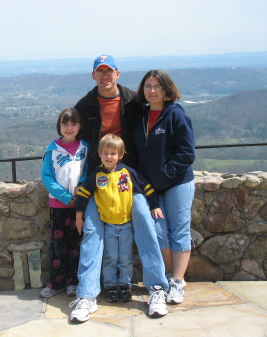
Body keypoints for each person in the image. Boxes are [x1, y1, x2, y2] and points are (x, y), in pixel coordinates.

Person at [69, 55, 169, 323]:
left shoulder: (133, 100)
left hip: (130, 177)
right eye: (99, 72)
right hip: (97, 178)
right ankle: (87, 295)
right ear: (93, 76)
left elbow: (157, 118)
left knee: (146, 225)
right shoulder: (85, 105)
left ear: (117, 73)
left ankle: (157, 288)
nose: (105, 76)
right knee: (91, 232)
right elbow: (73, 138)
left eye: (109, 71)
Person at [74, 134, 163, 304]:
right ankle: (110, 286)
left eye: (113, 153)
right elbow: (83, 194)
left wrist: (154, 205)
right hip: (108, 225)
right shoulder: (96, 176)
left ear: (120, 155)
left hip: (126, 225)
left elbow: (146, 187)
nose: (109, 157)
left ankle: (125, 285)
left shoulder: (128, 173)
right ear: (99, 154)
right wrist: (79, 215)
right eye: (105, 153)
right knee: (110, 258)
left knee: (125, 258)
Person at [133, 69, 196, 305]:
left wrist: (166, 174)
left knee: (179, 230)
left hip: (178, 183)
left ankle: (178, 281)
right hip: (152, 187)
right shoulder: (141, 116)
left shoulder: (176, 115)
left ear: (166, 89)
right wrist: (146, 181)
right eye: (147, 86)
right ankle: (170, 275)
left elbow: (186, 152)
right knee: (158, 231)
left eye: (156, 86)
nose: (151, 91)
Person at [40, 107, 89, 298]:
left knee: (77, 244)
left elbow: (87, 171)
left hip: (80, 206)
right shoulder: (52, 149)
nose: (69, 128)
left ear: (79, 126)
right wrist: (66, 197)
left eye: (73, 124)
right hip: (59, 206)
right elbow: (47, 177)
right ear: (59, 126)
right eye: (65, 124)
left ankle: (73, 282)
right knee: (58, 246)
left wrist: (82, 188)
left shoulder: (85, 147)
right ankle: (55, 283)